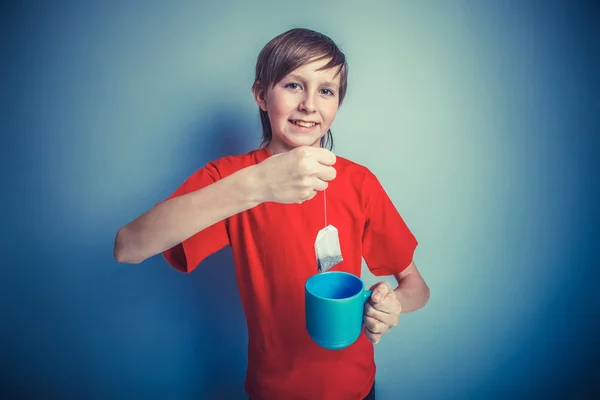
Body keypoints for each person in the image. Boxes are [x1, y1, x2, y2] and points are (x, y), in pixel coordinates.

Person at [114, 27, 430, 400]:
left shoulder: (359, 183)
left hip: (357, 390)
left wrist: (390, 304)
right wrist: (255, 185)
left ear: (336, 105)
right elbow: (128, 247)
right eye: (294, 85)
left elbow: (417, 289)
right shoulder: (231, 180)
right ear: (261, 94)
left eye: (326, 91)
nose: (310, 105)